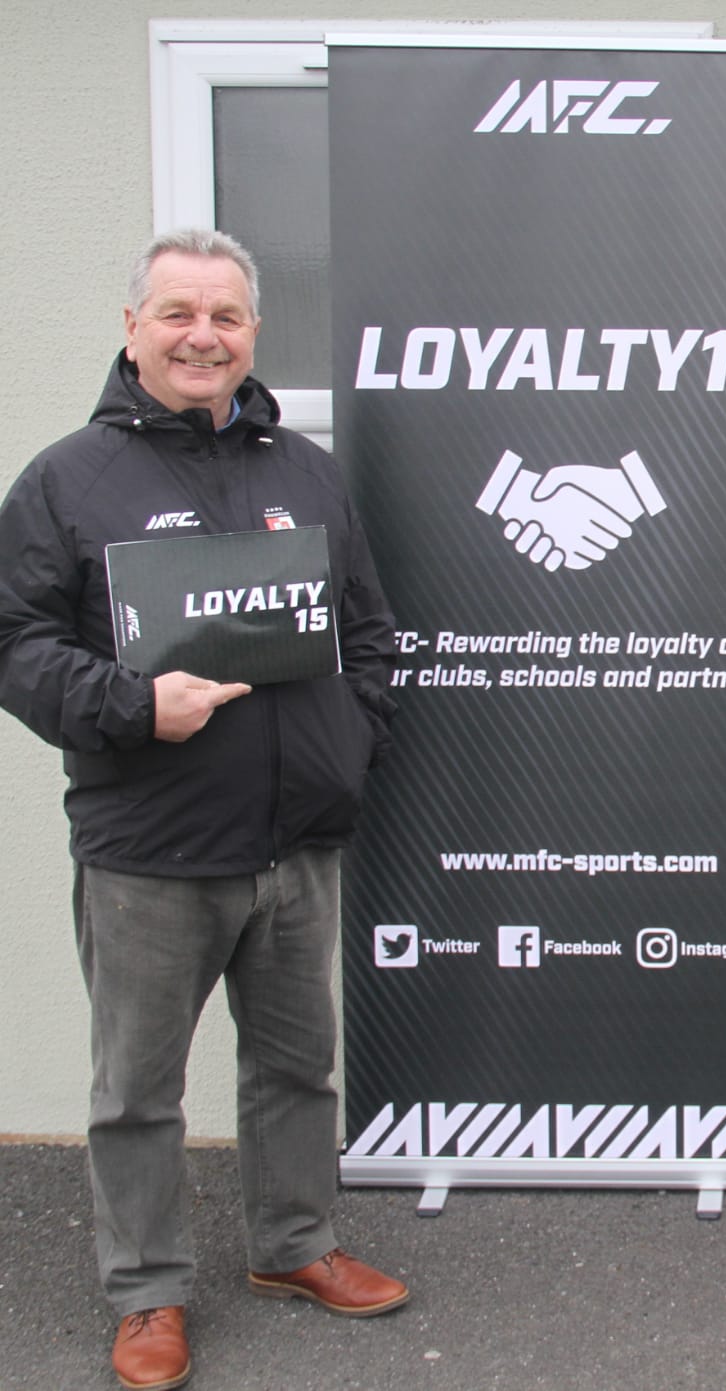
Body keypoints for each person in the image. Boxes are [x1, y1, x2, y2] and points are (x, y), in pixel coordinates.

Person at [0, 229, 409, 1391]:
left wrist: (348, 741)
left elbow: (367, 629)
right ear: (132, 328)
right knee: (139, 1090)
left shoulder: (305, 473)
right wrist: (134, 706)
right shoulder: (68, 479)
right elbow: (16, 643)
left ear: (253, 334)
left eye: (225, 316)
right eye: (178, 311)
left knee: (298, 1067)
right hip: (150, 849)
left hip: (295, 841)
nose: (202, 335)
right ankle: (147, 1292)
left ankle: (293, 1243)